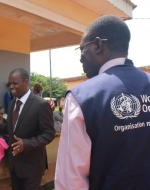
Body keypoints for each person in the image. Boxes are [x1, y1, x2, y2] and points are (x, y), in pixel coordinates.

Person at [55, 15, 150, 190]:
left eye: (82, 49)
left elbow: (70, 181)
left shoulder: (82, 97)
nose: (81, 58)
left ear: (98, 45)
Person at [7, 68, 55, 190]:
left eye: (15, 83)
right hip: (14, 165)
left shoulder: (41, 105)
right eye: (10, 84)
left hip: (32, 166)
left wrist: (27, 144)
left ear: (26, 82)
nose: (11, 86)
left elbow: (49, 134)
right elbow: (10, 128)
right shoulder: (12, 103)